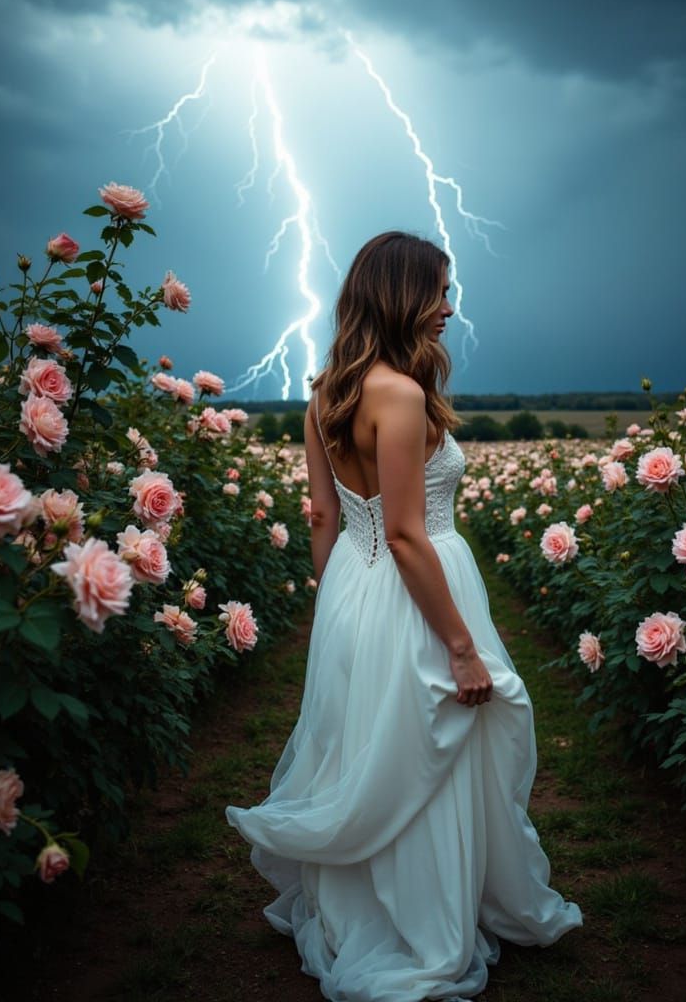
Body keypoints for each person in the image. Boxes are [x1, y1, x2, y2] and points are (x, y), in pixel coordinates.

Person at [225, 232, 581, 1001]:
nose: (449, 306)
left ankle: (372, 905)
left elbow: (324, 516)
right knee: (429, 749)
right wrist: (460, 645)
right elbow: (406, 533)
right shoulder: (403, 396)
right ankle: (425, 919)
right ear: (402, 296)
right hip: (417, 587)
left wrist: (339, 605)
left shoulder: (327, 394)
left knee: (371, 744)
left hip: (352, 586)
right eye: (439, 291)